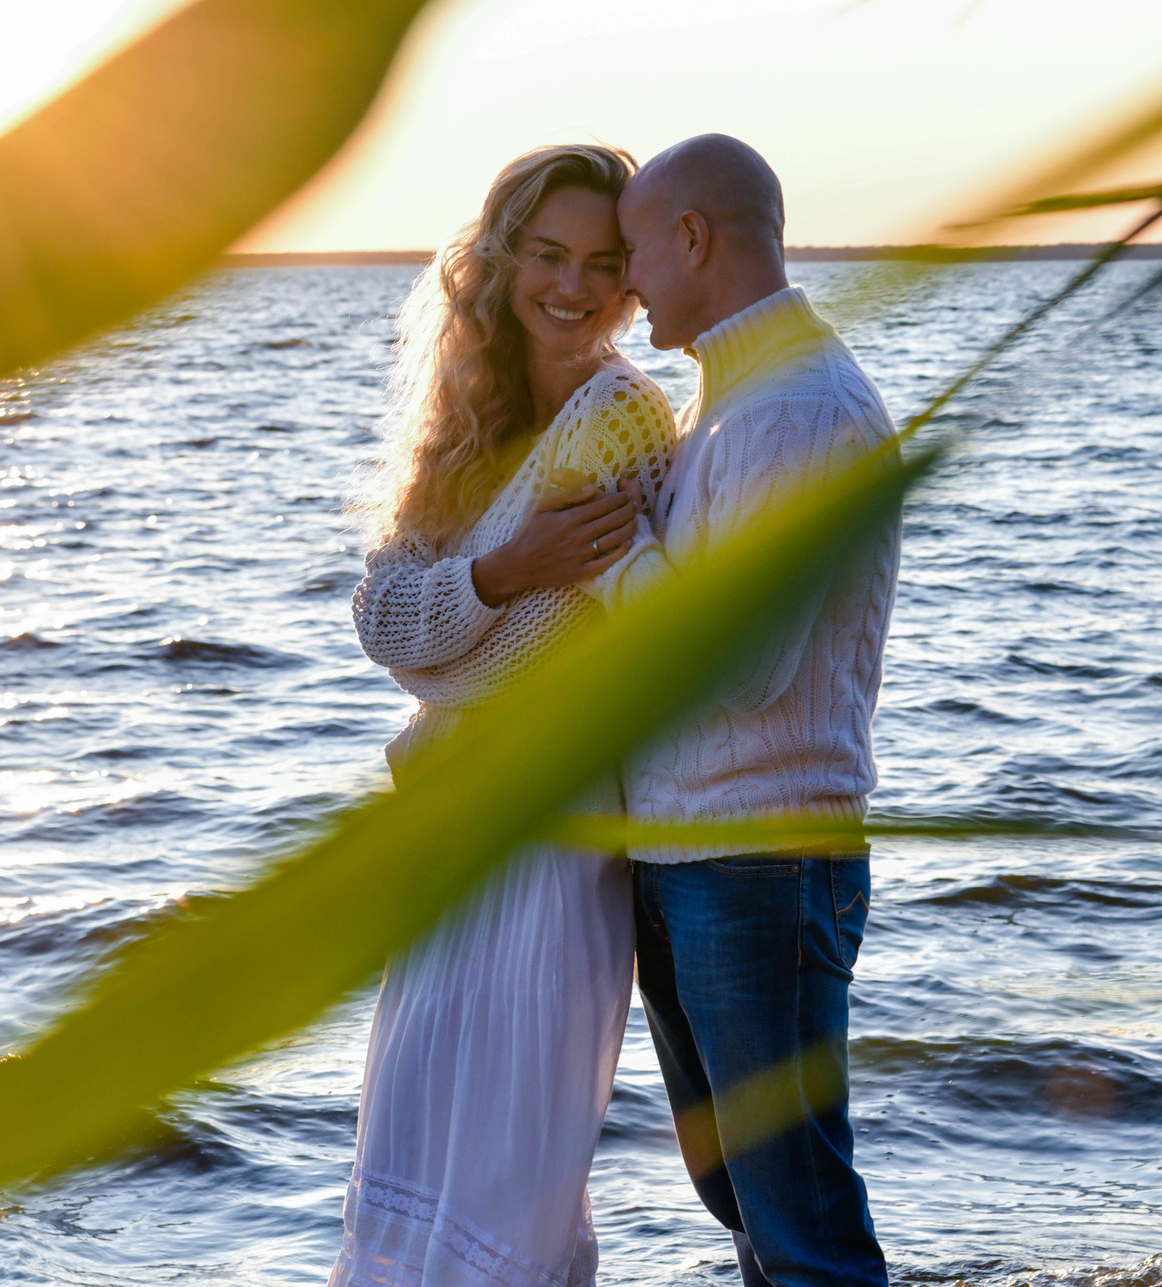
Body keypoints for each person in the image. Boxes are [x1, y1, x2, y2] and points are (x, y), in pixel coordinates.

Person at [337, 143, 677, 1287]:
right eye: (546, 254)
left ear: (634, 282)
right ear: (500, 258)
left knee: (512, 1171)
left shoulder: (622, 419)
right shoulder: (460, 424)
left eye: (600, 262)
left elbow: (490, 673)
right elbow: (387, 632)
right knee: (424, 1144)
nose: (571, 286)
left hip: (554, 835)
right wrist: (504, 572)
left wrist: (466, 609)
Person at [592, 132, 901, 1287]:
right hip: (695, 854)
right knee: (745, 1202)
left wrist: (616, 549)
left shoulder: (795, 412)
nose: (625, 282)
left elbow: (742, 665)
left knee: (799, 1221)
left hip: (760, 860)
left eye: (632, 252)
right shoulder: (728, 405)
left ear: (692, 238)